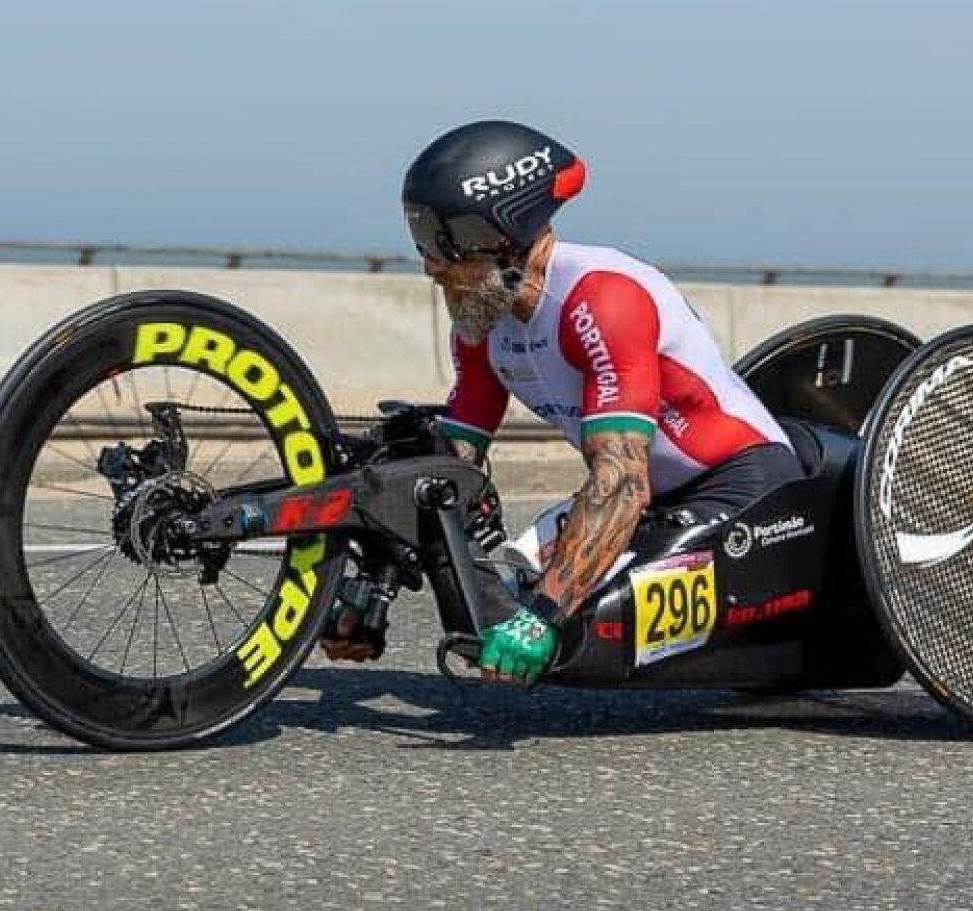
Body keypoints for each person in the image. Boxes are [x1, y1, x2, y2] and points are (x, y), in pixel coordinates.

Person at [322, 119, 801, 684]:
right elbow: (447, 475)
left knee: (572, 628)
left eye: (439, 239)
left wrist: (544, 614)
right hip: (650, 498)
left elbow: (623, 483)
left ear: (499, 234)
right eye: (419, 237)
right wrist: (366, 588)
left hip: (744, 487)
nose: (427, 262)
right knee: (490, 595)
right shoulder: (482, 320)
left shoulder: (601, 299)